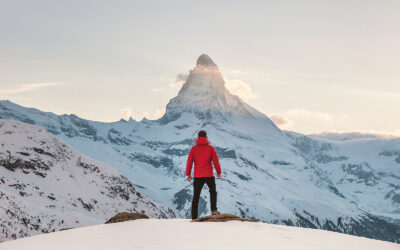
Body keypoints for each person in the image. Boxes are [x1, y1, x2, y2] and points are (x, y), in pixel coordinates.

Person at [186, 130, 222, 220]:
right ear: (206, 137)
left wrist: (188, 174)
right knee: (213, 192)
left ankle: (194, 217)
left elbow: (189, 162)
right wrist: (219, 172)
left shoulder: (193, 149)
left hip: (198, 176)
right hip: (209, 175)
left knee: (196, 196)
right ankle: (214, 210)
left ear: (198, 137)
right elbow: (215, 161)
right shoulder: (210, 148)